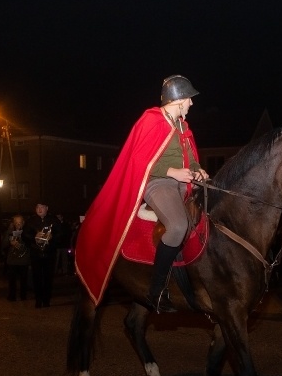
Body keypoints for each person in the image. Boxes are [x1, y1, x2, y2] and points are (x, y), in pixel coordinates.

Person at [74, 75, 208, 312]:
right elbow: (138, 160)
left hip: (183, 184)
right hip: (158, 184)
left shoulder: (184, 128)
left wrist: (198, 172)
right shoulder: (152, 119)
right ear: (178, 99)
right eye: (189, 99)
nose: (191, 103)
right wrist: (173, 172)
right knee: (177, 226)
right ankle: (156, 292)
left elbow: (192, 160)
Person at [24, 202, 62, 308]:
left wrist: (52, 237)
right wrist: (34, 237)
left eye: (42, 207)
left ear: (47, 208)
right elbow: (25, 235)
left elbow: (60, 234)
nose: (39, 209)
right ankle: (38, 299)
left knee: (48, 277)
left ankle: (46, 300)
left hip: (49, 252)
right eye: (37, 207)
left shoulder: (54, 220)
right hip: (36, 252)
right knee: (36, 277)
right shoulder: (31, 221)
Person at [2, 215, 30, 301]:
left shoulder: (27, 232)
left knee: (23, 280)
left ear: (23, 223)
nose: (18, 224)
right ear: (14, 223)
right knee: (12, 280)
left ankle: (23, 295)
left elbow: (30, 244)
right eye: (17, 223)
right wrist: (10, 242)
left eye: (20, 223)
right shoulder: (9, 232)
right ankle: (12, 296)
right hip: (12, 260)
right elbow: (3, 245)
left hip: (23, 259)